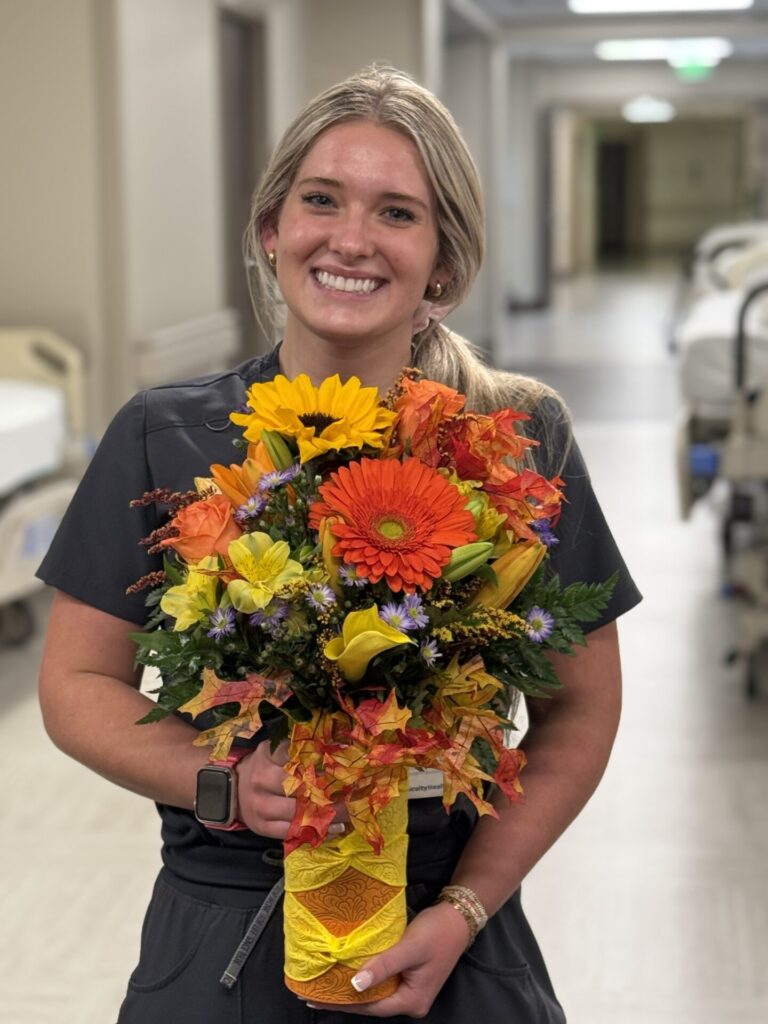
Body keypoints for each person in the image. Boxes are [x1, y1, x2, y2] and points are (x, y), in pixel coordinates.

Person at [37, 65, 640, 1023]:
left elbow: (579, 714)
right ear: (271, 229)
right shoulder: (165, 436)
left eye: (398, 212)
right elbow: (74, 687)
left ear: (442, 262)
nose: (350, 239)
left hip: (446, 932)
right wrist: (223, 781)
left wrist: (465, 909)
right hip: (226, 926)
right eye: (321, 200)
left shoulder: (517, 436)